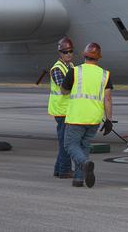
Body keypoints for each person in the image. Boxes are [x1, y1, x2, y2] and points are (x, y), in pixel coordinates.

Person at [61, 42, 114, 188]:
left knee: (70, 144)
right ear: (98, 58)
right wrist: (109, 120)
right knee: (84, 146)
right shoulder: (105, 74)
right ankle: (78, 179)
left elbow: (64, 91)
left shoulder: (75, 71)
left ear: (84, 55)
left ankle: (84, 164)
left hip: (77, 116)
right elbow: (108, 98)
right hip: (94, 118)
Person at [48, 36, 76, 179]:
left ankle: (58, 169)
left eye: (70, 51)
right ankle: (65, 170)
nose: (69, 54)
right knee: (66, 142)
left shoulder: (70, 66)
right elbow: (64, 87)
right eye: (65, 52)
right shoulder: (57, 69)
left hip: (68, 109)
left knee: (64, 141)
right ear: (60, 53)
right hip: (61, 110)